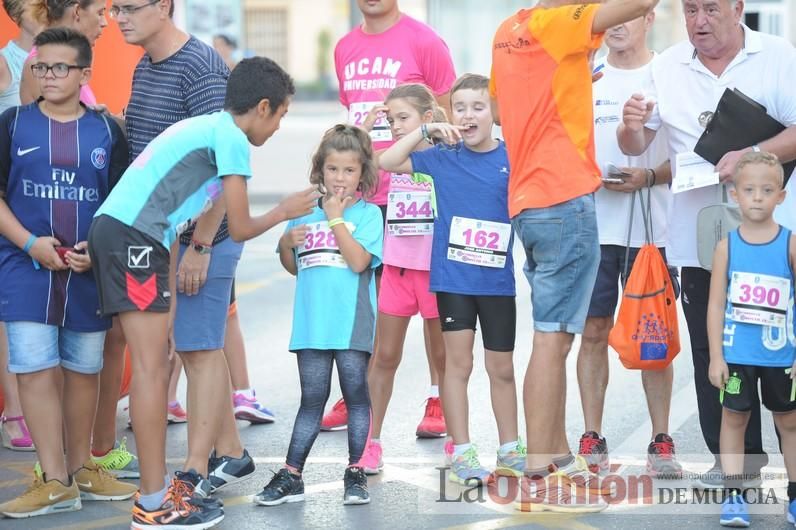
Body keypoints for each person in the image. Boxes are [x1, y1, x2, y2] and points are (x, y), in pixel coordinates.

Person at [88, 56, 318, 529]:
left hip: (130, 236)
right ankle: (154, 505)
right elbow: (241, 224)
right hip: (133, 239)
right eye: (281, 115)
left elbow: (171, 216)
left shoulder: (209, 127)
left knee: (157, 363)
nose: (278, 127)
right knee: (152, 371)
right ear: (262, 107)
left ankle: (157, 496)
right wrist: (286, 210)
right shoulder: (232, 139)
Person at [617, 0, 796, 489]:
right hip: (699, 239)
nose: (699, 20)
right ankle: (736, 466)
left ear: (738, 9)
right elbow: (636, 145)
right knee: (710, 351)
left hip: (774, 239)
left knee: (781, 351)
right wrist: (631, 128)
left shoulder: (777, 53)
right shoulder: (666, 65)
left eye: (711, 9)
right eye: (691, 9)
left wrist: (752, 154)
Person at [490, 0, 657, 512]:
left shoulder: (510, 27)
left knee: (551, 335)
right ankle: (540, 472)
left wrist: (561, 86)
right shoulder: (557, 22)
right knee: (553, 339)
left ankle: (557, 459)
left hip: (529, 200)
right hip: (563, 199)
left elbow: (499, 110)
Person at [101, 0, 272, 494]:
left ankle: (200, 468)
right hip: (160, 237)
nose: (121, 18)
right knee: (197, 348)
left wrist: (200, 243)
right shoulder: (145, 65)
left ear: (165, 6)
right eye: (116, 9)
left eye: (131, 8)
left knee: (195, 349)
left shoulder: (200, 67)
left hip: (200, 241)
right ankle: (232, 453)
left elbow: (225, 158)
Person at [0, 28, 137, 519]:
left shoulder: (108, 131)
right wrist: (31, 243)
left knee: (84, 370)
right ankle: (53, 479)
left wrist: (95, 249)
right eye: (41, 67)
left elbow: (121, 204)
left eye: (61, 68)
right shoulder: (11, 124)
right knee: (35, 368)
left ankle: (82, 470)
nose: (49, 76)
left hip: (86, 271)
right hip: (23, 266)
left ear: (85, 75)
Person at [380, 73, 525, 485]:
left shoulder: (511, 159)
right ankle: (462, 452)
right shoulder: (442, 158)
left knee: (502, 369)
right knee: (457, 367)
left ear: (493, 113)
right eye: (460, 107)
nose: (468, 115)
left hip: (497, 283)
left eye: (478, 107)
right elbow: (387, 162)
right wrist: (425, 130)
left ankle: (510, 449)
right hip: (454, 282)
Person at [324, 0, 456, 434]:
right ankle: (357, 391)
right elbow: (351, 123)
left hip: (415, 191)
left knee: (431, 306)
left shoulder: (425, 41)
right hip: (364, 193)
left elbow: (450, 113)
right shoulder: (344, 47)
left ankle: (438, 399)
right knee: (362, 303)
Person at [576, 11, 681, 478]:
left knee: (652, 338)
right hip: (594, 227)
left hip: (652, 233)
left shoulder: (669, 74)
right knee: (593, 333)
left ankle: (661, 440)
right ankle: (592, 436)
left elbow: (694, 156)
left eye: (629, 14)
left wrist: (650, 176)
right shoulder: (584, 73)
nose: (617, 23)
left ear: (650, 18)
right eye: (609, 12)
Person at [258, 124, 382, 507]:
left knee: (356, 396)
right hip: (312, 324)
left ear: (362, 174)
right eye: (332, 169)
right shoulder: (303, 214)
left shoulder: (368, 215)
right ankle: (292, 474)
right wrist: (283, 243)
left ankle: (356, 471)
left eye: (349, 170)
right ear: (320, 170)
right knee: (312, 398)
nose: (340, 178)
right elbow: (295, 268)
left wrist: (334, 218)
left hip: (350, 324)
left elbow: (360, 261)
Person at [358, 83, 446, 476]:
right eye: (391, 120)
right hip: (397, 269)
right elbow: (365, 174)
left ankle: (452, 429)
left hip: (436, 272)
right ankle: (370, 441)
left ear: (427, 119)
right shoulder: (391, 160)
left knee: (444, 357)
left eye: (402, 119)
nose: (394, 126)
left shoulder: (446, 158)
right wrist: (365, 127)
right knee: (385, 356)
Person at [706, 152, 796, 527]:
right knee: (734, 419)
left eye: (766, 189)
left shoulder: (790, 245)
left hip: (781, 356)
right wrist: (715, 356)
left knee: (789, 422)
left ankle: (793, 496)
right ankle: (733, 495)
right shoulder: (727, 247)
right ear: (734, 195)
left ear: (781, 196)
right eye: (749, 190)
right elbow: (714, 305)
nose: (757, 197)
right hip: (737, 354)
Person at [0, 0, 41, 453]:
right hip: (8, 193)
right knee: (9, 313)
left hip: (40, 194)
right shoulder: (7, 61)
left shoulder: (57, 57)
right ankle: (14, 410)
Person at [20, 0, 108, 105]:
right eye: (100, 13)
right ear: (77, 11)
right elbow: (60, 120)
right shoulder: (40, 66)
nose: (104, 23)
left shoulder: (75, 59)